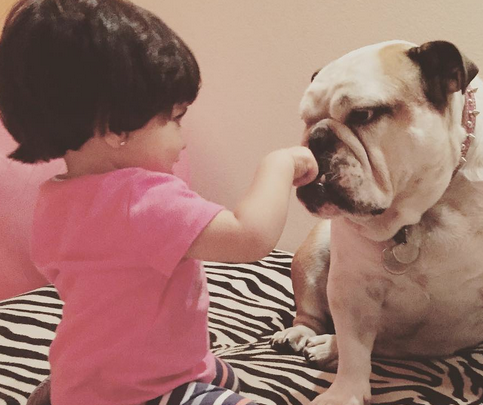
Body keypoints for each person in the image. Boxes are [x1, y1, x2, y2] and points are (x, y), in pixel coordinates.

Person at [0, 1, 318, 404]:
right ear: (117, 128)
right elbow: (249, 238)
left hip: (84, 375)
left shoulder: (55, 197)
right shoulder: (141, 198)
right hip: (145, 390)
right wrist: (279, 164)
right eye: (175, 119)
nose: (182, 140)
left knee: (223, 374)